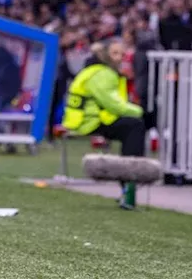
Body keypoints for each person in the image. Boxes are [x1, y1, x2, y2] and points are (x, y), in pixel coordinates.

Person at [61, 37, 146, 209]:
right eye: (115, 53)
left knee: (131, 126)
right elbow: (113, 104)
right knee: (135, 126)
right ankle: (129, 183)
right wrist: (141, 112)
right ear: (105, 54)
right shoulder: (102, 74)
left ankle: (129, 183)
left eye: (122, 54)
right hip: (88, 122)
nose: (120, 57)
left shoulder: (96, 71)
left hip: (86, 119)